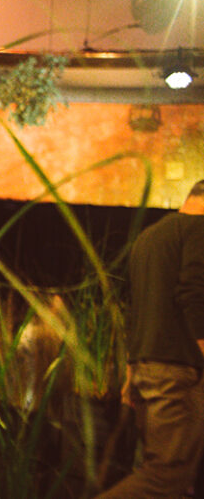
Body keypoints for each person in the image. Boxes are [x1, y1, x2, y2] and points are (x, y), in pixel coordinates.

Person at [97, 180, 204, 497]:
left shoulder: (149, 238)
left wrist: (131, 372)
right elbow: (194, 294)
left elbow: (138, 306)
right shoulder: (199, 230)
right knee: (166, 476)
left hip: (148, 370)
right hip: (176, 372)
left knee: (171, 478)